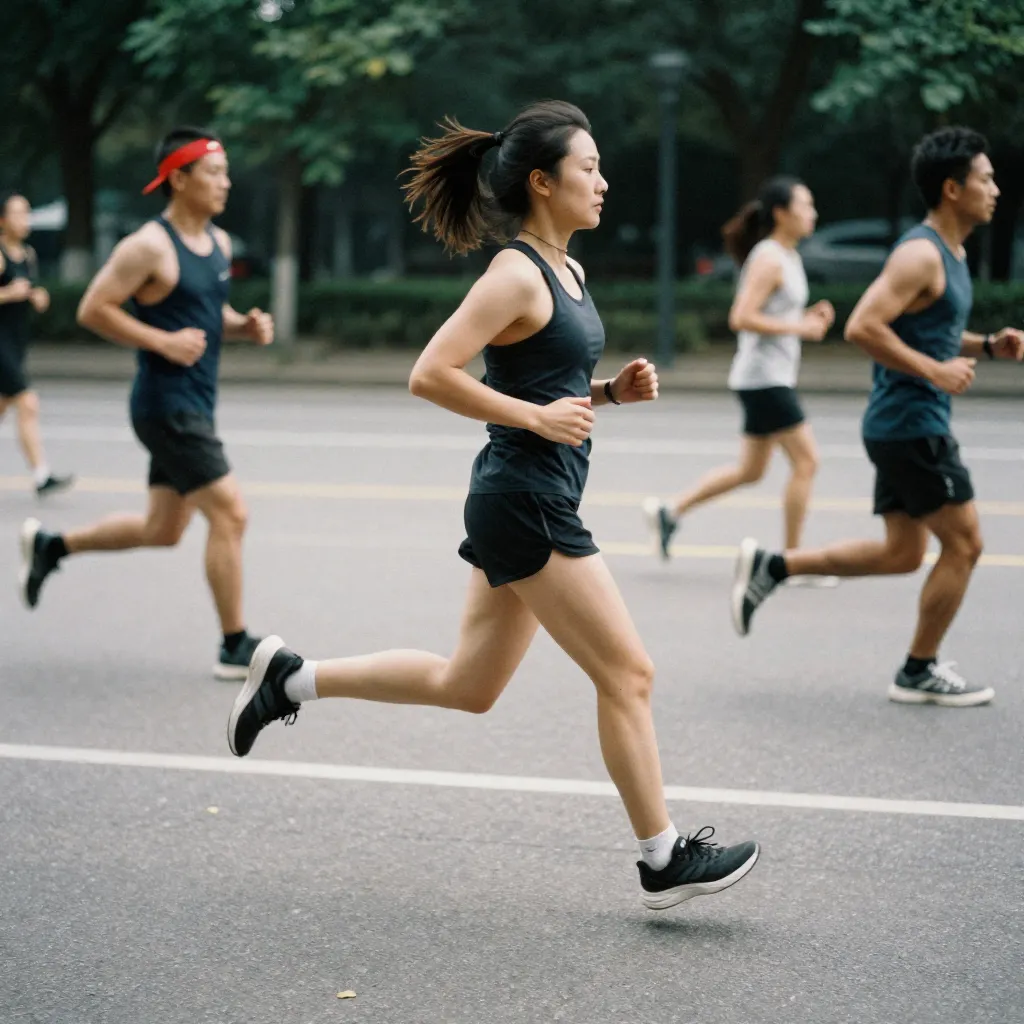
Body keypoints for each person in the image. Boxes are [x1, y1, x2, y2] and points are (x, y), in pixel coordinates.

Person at [227, 100, 759, 910]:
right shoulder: (514, 272)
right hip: (526, 501)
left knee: (467, 685)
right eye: (590, 168)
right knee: (629, 672)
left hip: (525, 494)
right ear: (544, 183)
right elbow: (431, 373)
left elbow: (537, 383)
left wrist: (606, 395)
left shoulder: (566, 269)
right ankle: (661, 858)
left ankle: (291, 681)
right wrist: (538, 418)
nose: (604, 182)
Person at [731, 127, 1024, 706]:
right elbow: (863, 326)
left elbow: (929, 330)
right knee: (964, 545)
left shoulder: (953, 253)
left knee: (904, 553)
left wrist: (986, 346)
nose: (995, 188)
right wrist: (934, 372)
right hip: (912, 423)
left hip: (906, 422)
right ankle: (918, 669)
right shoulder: (920, 253)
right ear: (951, 188)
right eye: (985, 178)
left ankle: (775, 565)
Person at [18, 126, 274, 681]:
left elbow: (206, 316)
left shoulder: (220, 244)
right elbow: (93, 308)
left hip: (196, 403)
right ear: (178, 179)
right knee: (231, 512)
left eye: (226, 172)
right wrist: (161, 342)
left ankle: (51, 546)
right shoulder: (147, 246)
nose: (225, 182)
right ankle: (234, 645)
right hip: (165, 405)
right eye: (214, 173)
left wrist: (243, 328)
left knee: (163, 530)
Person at [643, 177, 836, 586]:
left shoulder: (787, 256)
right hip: (765, 379)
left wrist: (808, 318)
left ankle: (670, 511)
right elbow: (741, 317)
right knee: (807, 461)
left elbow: (778, 315)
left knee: (751, 471)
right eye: (806, 205)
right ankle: (792, 562)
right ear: (782, 213)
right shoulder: (769, 258)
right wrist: (801, 328)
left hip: (767, 377)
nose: (813, 213)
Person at [0, 191, 74, 497]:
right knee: (28, 402)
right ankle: (42, 476)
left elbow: (27, 290)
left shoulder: (28, 254)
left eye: (27, 213)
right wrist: (9, 294)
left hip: (16, 341)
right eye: (17, 213)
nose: (24, 219)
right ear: (2, 221)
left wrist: (34, 296)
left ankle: (41, 475)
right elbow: (11, 292)